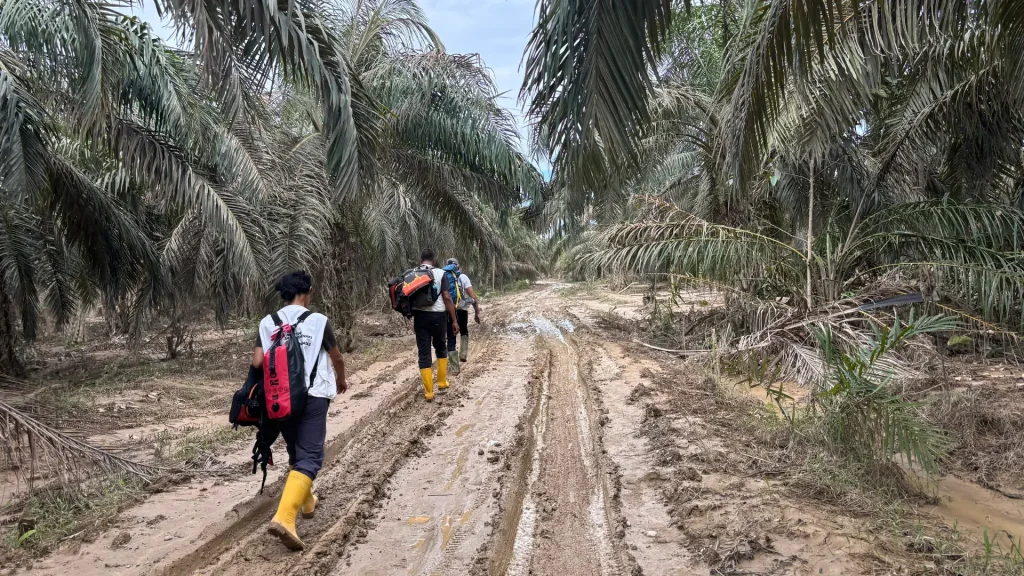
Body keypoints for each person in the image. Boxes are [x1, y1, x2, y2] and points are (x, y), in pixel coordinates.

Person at [251, 271, 347, 551]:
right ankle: (284, 518)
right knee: (311, 456)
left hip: (279, 398)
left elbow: (258, 361)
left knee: (296, 449)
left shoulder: (267, 322)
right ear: (308, 291)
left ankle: (307, 502)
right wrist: (341, 379)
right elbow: (336, 357)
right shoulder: (318, 321)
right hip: (313, 394)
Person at [412, 249, 459, 401]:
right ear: (434, 259)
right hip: (438, 316)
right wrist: (454, 320)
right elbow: (447, 297)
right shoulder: (440, 273)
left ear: (421, 259)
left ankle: (428, 392)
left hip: (419, 317)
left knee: (424, 353)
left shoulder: (413, 273)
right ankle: (442, 382)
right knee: (441, 347)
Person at [444, 259, 480, 375]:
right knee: (464, 330)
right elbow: (472, 296)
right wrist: (476, 312)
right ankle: (463, 354)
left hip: (449, 310)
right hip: (462, 309)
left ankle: (454, 368)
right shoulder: (463, 277)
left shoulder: (443, 275)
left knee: (451, 336)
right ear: (457, 266)